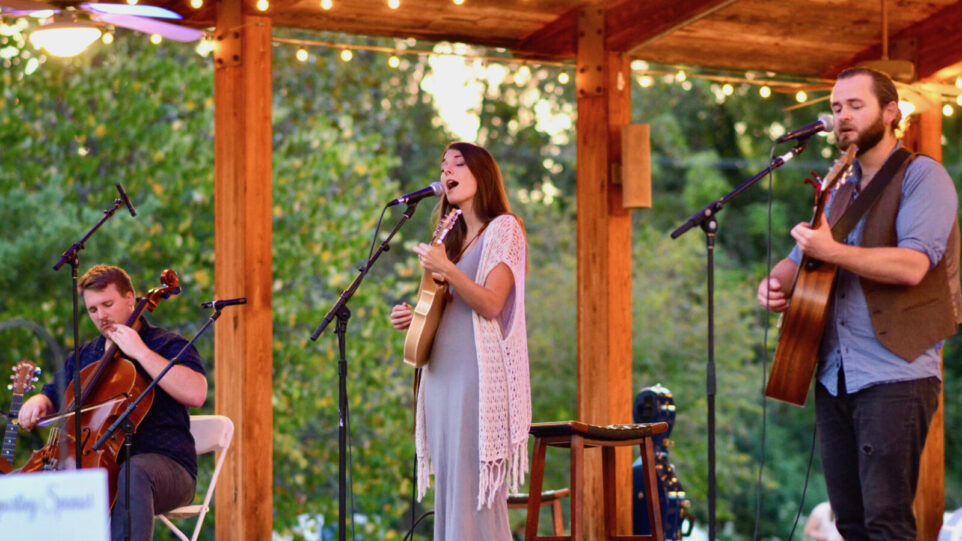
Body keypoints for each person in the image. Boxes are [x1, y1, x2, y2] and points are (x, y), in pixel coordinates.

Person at [757, 67, 962, 540]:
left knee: (886, 524)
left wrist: (832, 251)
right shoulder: (839, 187)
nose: (842, 116)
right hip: (834, 374)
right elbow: (796, 262)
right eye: (835, 108)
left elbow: (913, 265)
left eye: (855, 105)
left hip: (896, 371)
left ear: (891, 113)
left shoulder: (923, 175)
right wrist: (771, 285)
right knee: (848, 525)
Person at [390, 142, 531, 540]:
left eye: (457, 163)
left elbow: (490, 303)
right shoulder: (449, 238)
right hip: (440, 377)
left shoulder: (504, 228)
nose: (445, 171)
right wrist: (412, 314)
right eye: (442, 165)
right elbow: (442, 306)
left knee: (475, 495)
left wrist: (447, 270)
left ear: (481, 174)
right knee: (451, 494)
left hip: (476, 379)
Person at [18, 264, 208, 541]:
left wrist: (140, 352)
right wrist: (37, 402)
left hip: (166, 467)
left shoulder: (165, 344)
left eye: (108, 304)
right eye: (93, 310)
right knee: (21, 486)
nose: (102, 316)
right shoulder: (86, 355)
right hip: (98, 464)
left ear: (130, 297)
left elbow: (196, 393)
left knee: (133, 473)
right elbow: (53, 394)